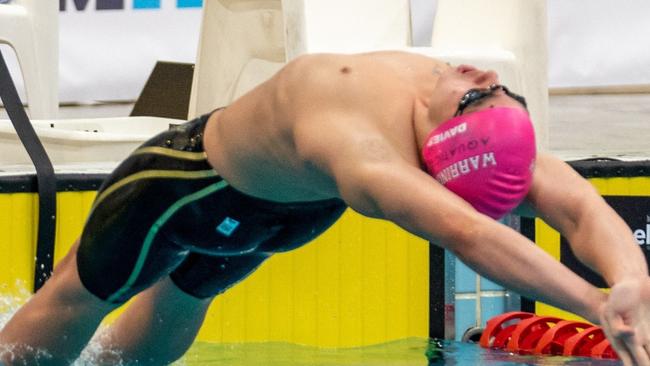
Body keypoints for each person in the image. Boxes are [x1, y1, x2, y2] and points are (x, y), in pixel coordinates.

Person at [1, 51, 649, 366]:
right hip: (239, 201)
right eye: (496, 89)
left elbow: (522, 221)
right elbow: (519, 221)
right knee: (118, 306)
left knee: (117, 300)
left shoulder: (400, 146)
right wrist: (610, 293)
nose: (484, 78)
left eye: (482, 98)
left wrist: (609, 294)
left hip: (237, 199)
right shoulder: (392, 140)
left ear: (443, 148)